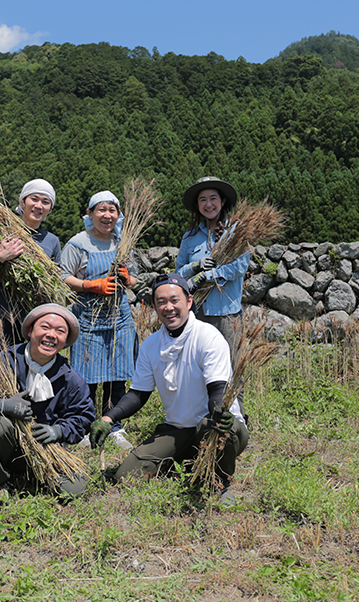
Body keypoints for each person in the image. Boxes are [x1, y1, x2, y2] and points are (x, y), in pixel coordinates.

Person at [89, 273, 249, 503]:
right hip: (180, 428)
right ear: (154, 306)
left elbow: (218, 388)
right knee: (127, 476)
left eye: (175, 300)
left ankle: (219, 484)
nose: (168, 307)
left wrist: (219, 412)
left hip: (220, 425)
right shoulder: (151, 345)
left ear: (189, 301)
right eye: (161, 302)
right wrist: (108, 418)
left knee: (209, 425)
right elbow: (138, 394)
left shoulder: (208, 337)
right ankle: (191, 461)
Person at [0, 179, 61, 468]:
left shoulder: (52, 241)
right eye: (35, 199)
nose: (39, 206)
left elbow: (53, 282)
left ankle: (19, 433)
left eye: (46, 202)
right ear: (22, 202)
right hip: (1, 315)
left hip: (32, 321)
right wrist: (0, 257)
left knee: (26, 374)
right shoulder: (3, 229)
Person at [0, 303, 95, 504]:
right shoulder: (2, 362)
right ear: (30, 330)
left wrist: (58, 431)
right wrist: (0, 405)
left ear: (65, 341)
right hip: (4, 447)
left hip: (45, 449)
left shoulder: (70, 378)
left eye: (60, 331)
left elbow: (83, 417)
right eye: (45, 327)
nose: (51, 335)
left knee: (74, 488)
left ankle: (33, 474)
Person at [61, 191, 138, 450]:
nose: (107, 215)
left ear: (118, 215)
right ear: (90, 213)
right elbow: (63, 277)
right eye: (101, 210)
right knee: (87, 378)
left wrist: (128, 279)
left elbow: (136, 279)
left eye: (112, 210)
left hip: (119, 319)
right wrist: (90, 284)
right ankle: (84, 427)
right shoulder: (77, 243)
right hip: (88, 320)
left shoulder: (123, 242)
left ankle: (115, 426)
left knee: (117, 378)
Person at [175, 176, 250, 367]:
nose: (208, 204)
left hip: (227, 315)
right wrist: (196, 267)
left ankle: (232, 399)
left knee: (231, 367)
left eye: (213, 198)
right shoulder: (189, 237)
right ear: (197, 204)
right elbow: (178, 274)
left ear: (222, 201)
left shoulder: (236, 231)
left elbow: (240, 267)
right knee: (200, 367)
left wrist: (209, 276)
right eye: (202, 199)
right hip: (197, 314)